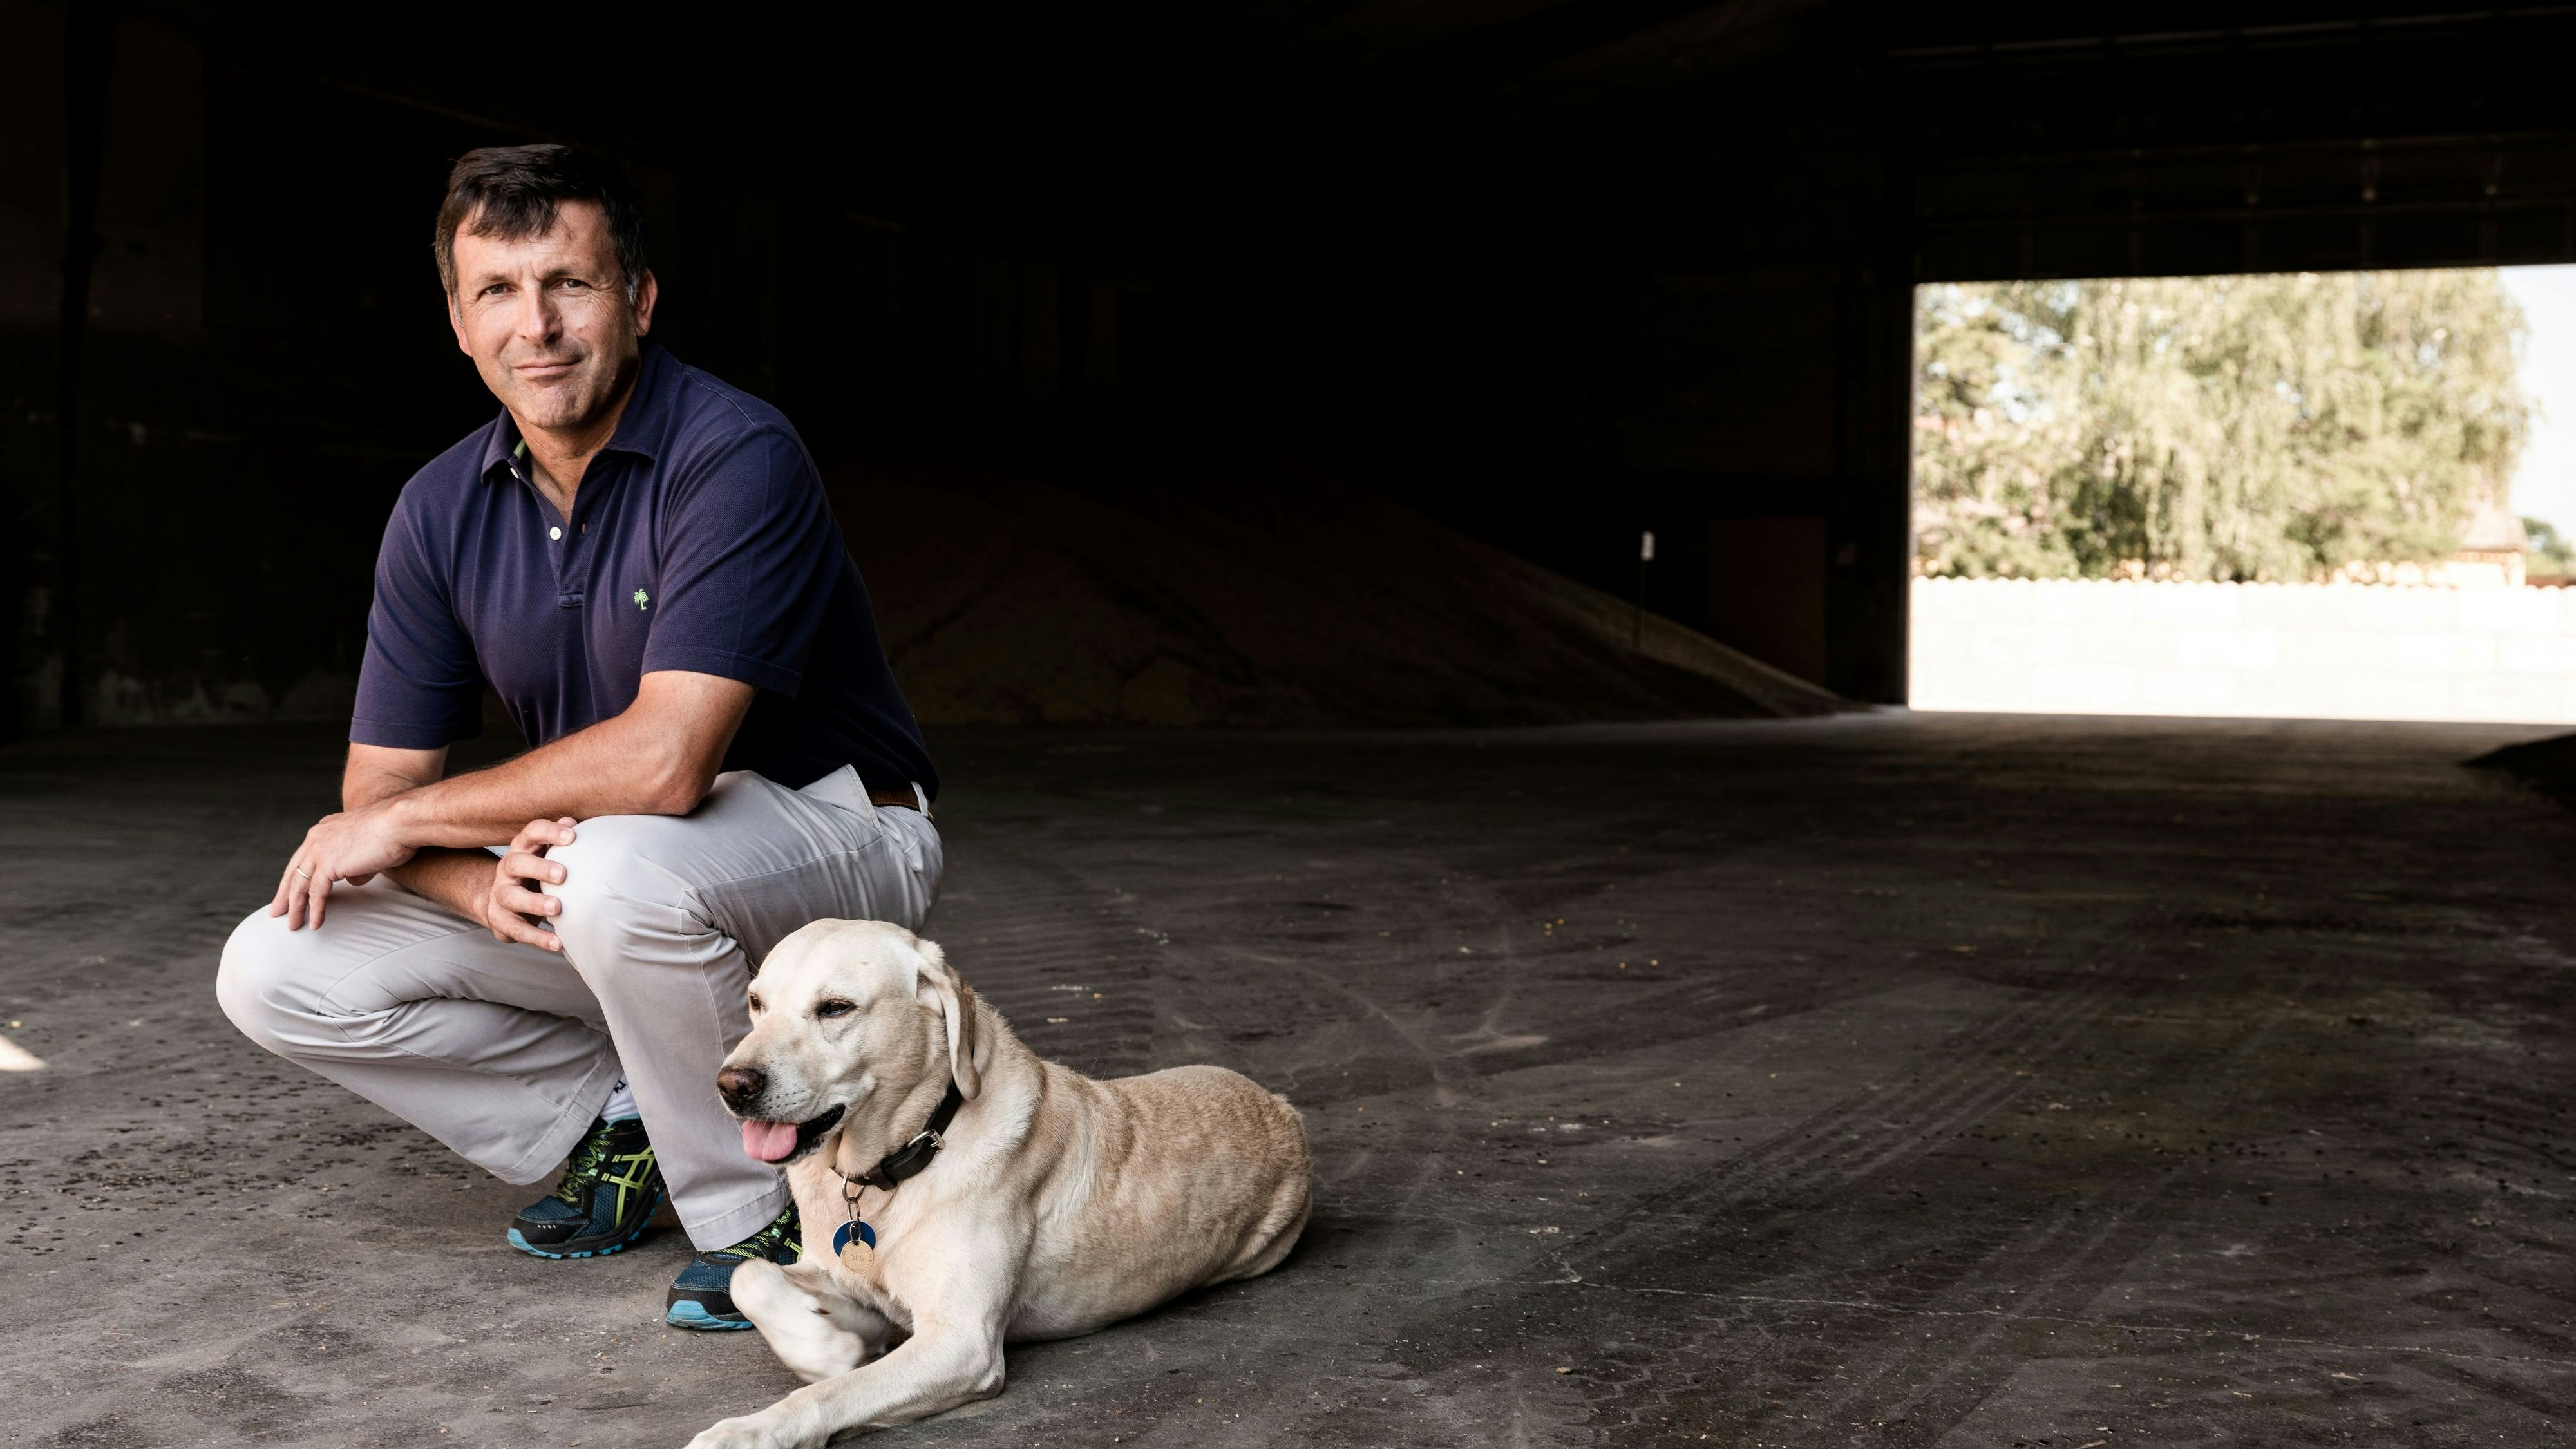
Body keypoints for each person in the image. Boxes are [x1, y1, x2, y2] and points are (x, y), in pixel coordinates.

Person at [215, 145, 942, 1331]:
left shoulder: (734, 452)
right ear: (458, 322)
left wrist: (404, 826)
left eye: (571, 284)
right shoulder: (438, 508)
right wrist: (471, 880)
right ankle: (630, 1110)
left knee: (610, 871)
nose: (537, 325)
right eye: (498, 290)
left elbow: (666, 761)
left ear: (639, 300)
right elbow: (379, 786)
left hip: (845, 833)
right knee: (278, 962)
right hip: (630, 877)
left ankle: (760, 1208)